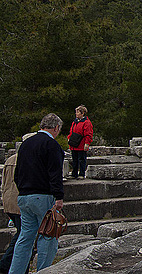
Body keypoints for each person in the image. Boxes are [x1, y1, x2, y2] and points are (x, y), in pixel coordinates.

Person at [9, 113, 65, 274]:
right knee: (48, 235)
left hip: (24, 196)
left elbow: (17, 173)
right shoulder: (51, 145)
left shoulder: (26, 144)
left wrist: (23, 189)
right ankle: (44, 271)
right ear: (56, 128)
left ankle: (16, 271)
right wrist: (59, 196)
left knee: (25, 237)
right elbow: (55, 174)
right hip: (43, 195)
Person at [0, 133, 36, 274]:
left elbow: (5, 181)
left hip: (9, 201)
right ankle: (7, 263)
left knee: (22, 234)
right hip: (20, 201)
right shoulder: (27, 160)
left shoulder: (10, 159)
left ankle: (20, 265)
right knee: (24, 236)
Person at [67, 105, 93, 179]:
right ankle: (74, 173)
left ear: (83, 113)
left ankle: (81, 174)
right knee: (74, 160)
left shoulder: (86, 122)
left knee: (81, 159)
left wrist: (87, 143)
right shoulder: (74, 122)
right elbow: (71, 131)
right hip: (74, 144)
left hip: (81, 144)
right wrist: (69, 138)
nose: (76, 114)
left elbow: (88, 134)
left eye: (78, 112)